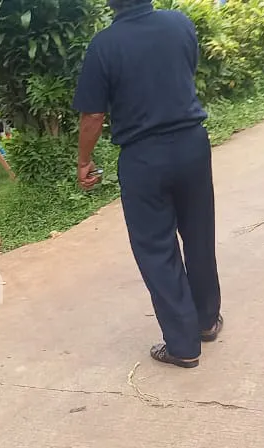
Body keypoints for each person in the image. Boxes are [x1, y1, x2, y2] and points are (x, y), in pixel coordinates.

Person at [73, 0, 222, 368]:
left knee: (156, 249)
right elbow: (186, 70)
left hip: (143, 157)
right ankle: (206, 320)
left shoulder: (104, 46)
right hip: (191, 144)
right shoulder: (179, 24)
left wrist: (84, 160)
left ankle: (183, 345)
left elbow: (93, 115)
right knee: (199, 234)